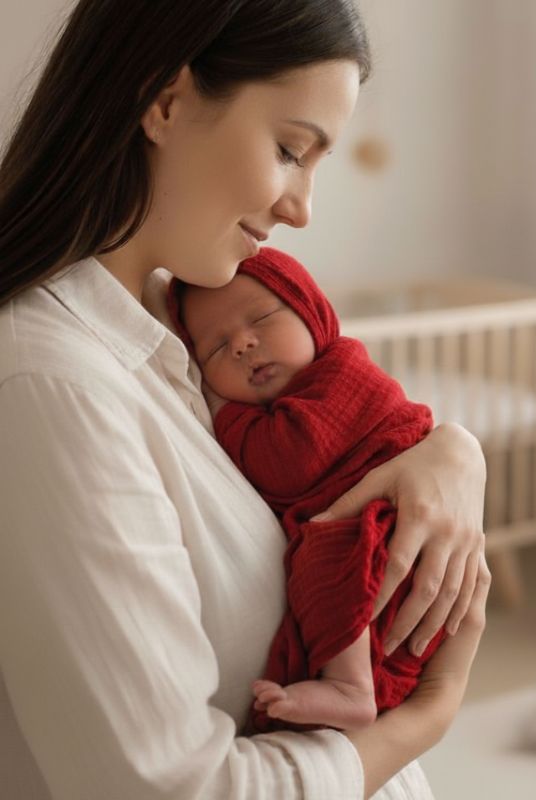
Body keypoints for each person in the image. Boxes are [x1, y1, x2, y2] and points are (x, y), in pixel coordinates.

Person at [0, 2, 490, 799]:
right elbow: (172, 787)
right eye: (291, 150)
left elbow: (341, 413)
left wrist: (450, 449)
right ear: (165, 103)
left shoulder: (179, 328)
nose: (302, 209)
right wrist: (423, 721)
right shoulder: (53, 387)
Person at [167, 246, 448, 735]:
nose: (241, 344)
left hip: (396, 528)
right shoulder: (287, 399)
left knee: (329, 552)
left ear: (312, 311)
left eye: (260, 318)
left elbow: (289, 464)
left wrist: (223, 410)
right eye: (214, 349)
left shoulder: (342, 372)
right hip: (388, 541)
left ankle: (352, 686)